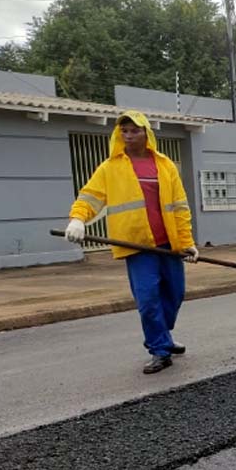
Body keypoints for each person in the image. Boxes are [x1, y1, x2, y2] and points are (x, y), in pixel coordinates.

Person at [63, 110, 198, 374]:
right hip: (138, 247)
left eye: (134, 130)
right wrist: (78, 219)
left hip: (169, 245)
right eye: (124, 131)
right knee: (148, 299)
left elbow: (180, 207)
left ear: (146, 133)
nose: (128, 135)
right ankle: (160, 350)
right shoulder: (110, 168)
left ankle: (164, 337)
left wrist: (187, 242)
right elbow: (89, 197)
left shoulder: (165, 165)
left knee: (175, 295)